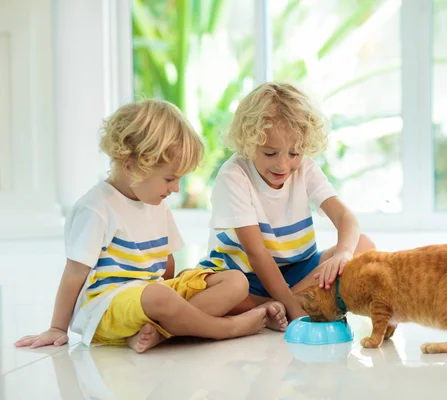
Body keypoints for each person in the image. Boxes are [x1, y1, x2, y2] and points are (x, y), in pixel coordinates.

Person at [15, 99, 276, 353]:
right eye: (170, 178)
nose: (175, 189)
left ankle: (162, 332)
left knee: (235, 281)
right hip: (107, 306)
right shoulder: (96, 207)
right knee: (159, 297)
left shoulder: (156, 203)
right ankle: (226, 329)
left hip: (151, 296)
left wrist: (178, 296)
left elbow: (167, 265)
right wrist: (57, 327)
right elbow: (74, 273)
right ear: (131, 165)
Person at [198, 82, 375, 322]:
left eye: (294, 153)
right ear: (249, 144)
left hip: (297, 271)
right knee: (226, 291)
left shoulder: (306, 169)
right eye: (270, 153)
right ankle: (290, 303)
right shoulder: (234, 176)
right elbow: (256, 252)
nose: (283, 165)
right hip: (243, 277)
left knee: (363, 246)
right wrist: (293, 308)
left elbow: (346, 218)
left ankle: (272, 307)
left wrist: (342, 254)